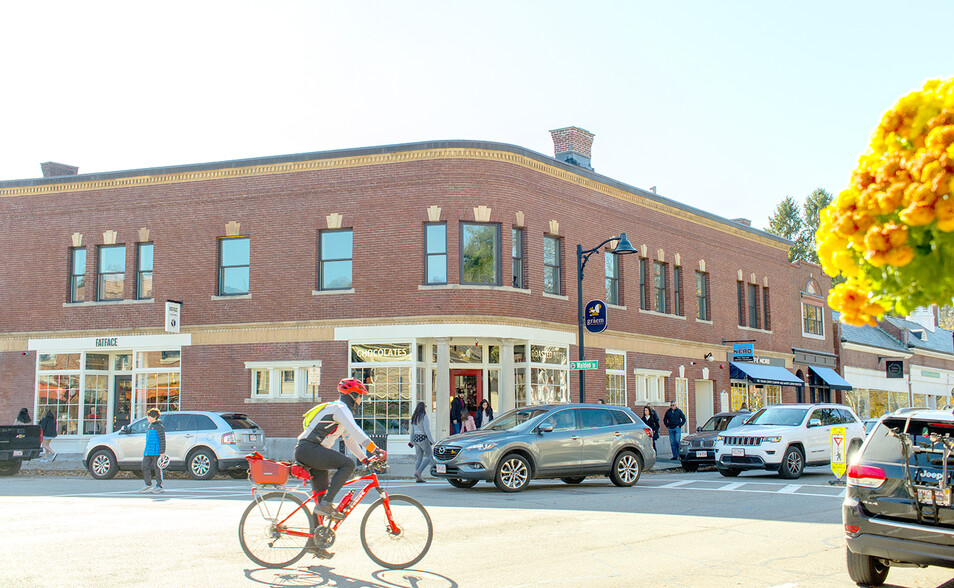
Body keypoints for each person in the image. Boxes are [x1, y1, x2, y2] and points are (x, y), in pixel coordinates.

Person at [296, 377, 386, 559]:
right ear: (353, 395)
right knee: (347, 464)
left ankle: (314, 544)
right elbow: (355, 431)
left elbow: (349, 438)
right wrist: (375, 449)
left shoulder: (340, 411)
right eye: (360, 396)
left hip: (311, 451)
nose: (361, 401)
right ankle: (327, 504)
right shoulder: (340, 408)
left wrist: (365, 459)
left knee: (319, 500)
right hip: (309, 449)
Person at [140, 408, 166, 493]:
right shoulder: (149, 426)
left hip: (156, 451)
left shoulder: (159, 427)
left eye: (149, 416)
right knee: (144, 466)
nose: (147, 418)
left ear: (154, 417)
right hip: (148, 451)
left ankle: (159, 485)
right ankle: (148, 484)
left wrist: (162, 452)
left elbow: (162, 439)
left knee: (157, 468)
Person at [409, 402, 434, 483]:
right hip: (423, 438)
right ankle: (418, 472)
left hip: (415, 438)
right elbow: (427, 430)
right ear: (423, 408)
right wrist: (432, 440)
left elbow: (412, 430)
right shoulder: (424, 417)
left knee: (419, 458)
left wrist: (411, 440)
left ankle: (418, 477)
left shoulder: (414, 417)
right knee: (429, 456)